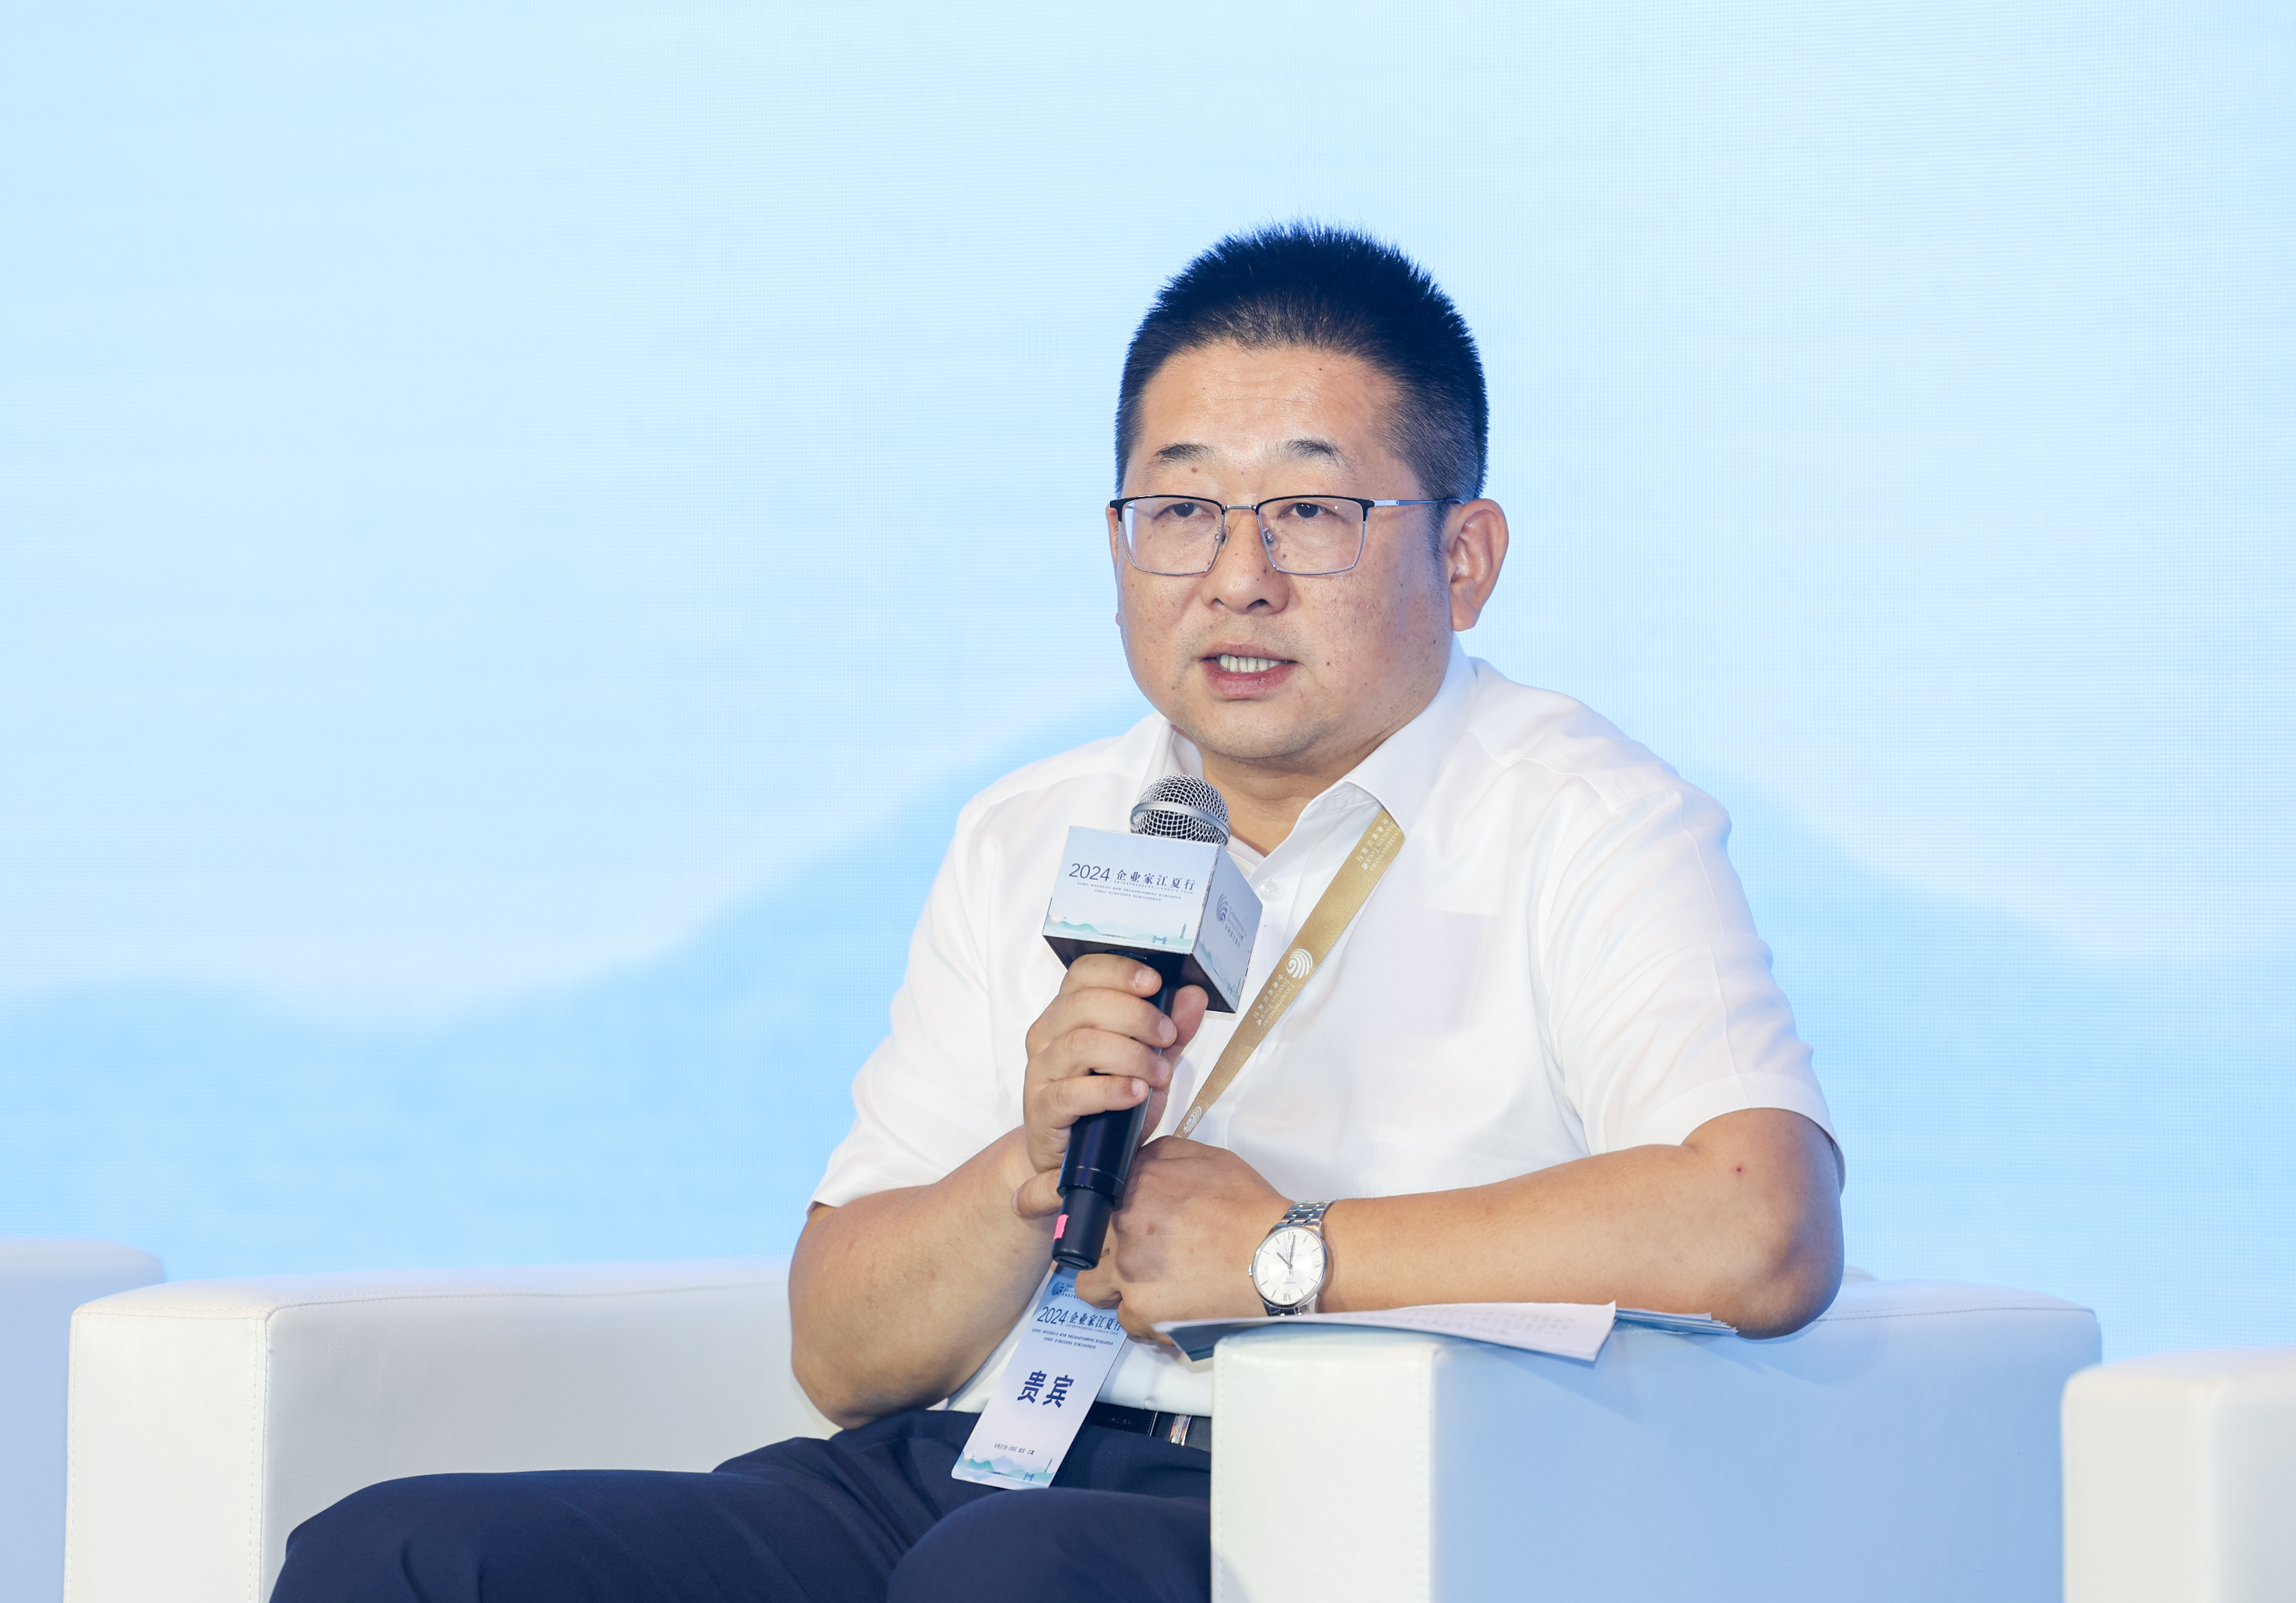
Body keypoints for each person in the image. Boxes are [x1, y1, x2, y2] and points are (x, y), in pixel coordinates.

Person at [273, 223, 1844, 1602]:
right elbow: (842, 1352)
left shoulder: (1584, 817)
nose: (1237, 577)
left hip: (1323, 1504)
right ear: (1117, 545)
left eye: (1312, 513)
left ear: (1468, 554)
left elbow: (1761, 1220)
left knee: (1010, 1577)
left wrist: (1290, 1256)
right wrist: (1027, 1167)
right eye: (1181, 510)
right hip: (970, 1460)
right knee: (403, 1556)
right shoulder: (1033, 823)